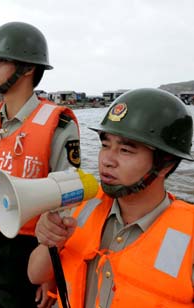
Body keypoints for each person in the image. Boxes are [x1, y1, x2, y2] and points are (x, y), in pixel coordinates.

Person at [0, 22, 81, 308]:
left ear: (27, 68)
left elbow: (68, 202)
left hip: (28, 250)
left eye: (0, 60)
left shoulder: (58, 125)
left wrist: (50, 268)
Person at [28, 88, 194, 308]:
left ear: (166, 164)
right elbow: (35, 275)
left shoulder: (188, 236)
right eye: (105, 145)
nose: (107, 160)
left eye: (125, 150)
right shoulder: (82, 206)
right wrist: (50, 242)